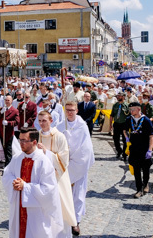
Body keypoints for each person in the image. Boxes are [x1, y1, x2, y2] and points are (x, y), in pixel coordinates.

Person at [2, 127, 63, 238]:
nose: (21, 143)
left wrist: (25, 186)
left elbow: (48, 189)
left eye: (24, 141)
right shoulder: (17, 158)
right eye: (20, 139)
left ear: (34, 142)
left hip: (36, 212)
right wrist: (13, 182)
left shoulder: (44, 161)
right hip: (18, 207)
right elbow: (7, 174)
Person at [37, 110, 77, 237]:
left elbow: (64, 159)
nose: (42, 123)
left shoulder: (59, 136)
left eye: (44, 120)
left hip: (58, 177)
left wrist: (46, 152)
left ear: (51, 121)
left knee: (60, 208)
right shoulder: (36, 136)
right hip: (42, 178)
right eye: (40, 121)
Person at [59, 101, 95, 236]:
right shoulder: (61, 126)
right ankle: (64, 219)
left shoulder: (82, 126)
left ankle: (76, 222)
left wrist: (75, 161)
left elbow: (86, 149)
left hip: (79, 165)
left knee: (78, 195)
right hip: (64, 165)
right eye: (67, 110)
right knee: (64, 194)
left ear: (77, 111)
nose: (70, 112)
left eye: (72, 110)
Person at [123, 102, 153, 198]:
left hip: (144, 148)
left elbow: (151, 136)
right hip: (134, 148)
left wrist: (150, 150)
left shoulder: (146, 120)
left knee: (145, 169)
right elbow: (124, 130)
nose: (131, 111)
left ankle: (146, 183)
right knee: (136, 169)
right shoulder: (129, 119)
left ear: (139, 109)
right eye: (130, 109)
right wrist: (127, 138)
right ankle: (138, 189)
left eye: (133, 109)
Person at [0, 95, 19, 167]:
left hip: (9, 133)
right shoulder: (2, 109)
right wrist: (0, 112)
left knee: (8, 149)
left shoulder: (15, 111)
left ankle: (8, 165)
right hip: (1, 132)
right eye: (6, 100)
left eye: (8, 100)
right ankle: (8, 163)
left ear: (12, 101)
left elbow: (17, 122)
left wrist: (8, 123)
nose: (7, 102)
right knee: (4, 148)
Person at [111, 92, 130, 160]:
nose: (118, 97)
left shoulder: (127, 105)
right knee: (116, 139)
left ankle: (125, 154)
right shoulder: (115, 105)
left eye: (119, 96)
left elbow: (129, 116)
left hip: (124, 124)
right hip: (116, 123)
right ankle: (119, 151)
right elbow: (112, 115)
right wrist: (110, 125)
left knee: (125, 140)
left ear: (123, 96)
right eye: (117, 96)